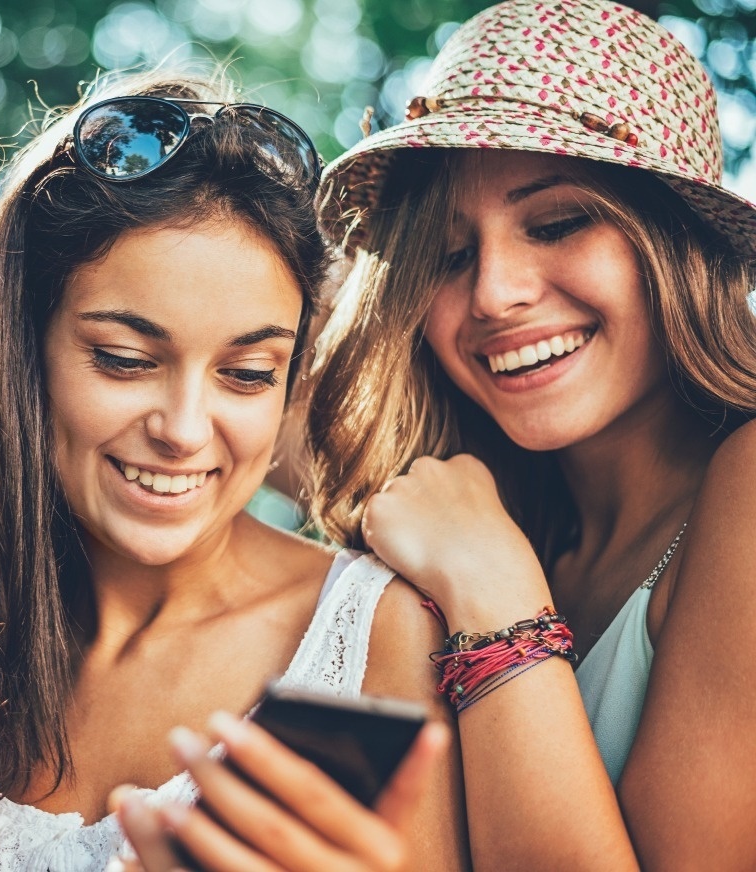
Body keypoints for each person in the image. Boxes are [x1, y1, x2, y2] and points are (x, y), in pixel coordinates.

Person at [0, 71, 468, 871]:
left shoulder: (373, 633)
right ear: (21, 350)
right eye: (125, 360)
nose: (184, 431)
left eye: (247, 373)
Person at [307, 0, 756, 867]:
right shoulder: (471, 503)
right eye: (446, 256)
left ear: (679, 244)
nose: (492, 295)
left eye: (556, 224)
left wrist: (495, 590)